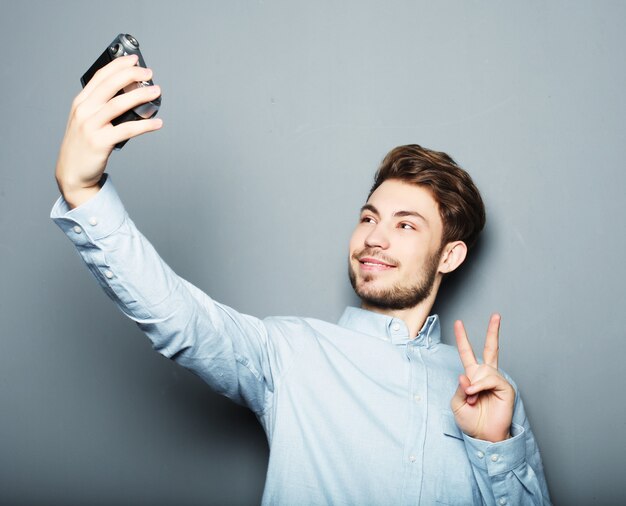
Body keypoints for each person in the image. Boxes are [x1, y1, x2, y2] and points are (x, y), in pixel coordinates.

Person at [51, 54, 551, 505]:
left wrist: (494, 450)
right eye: (369, 217)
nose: (374, 237)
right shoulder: (289, 354)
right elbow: (179, 318)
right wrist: (85, 192)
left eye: (405, 225)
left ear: (449, 256)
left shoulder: (491, 394)